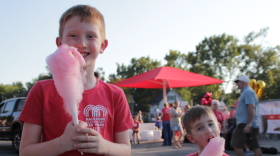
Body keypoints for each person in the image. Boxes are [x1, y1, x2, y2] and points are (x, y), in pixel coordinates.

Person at [18, 5, 134, 156]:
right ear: (60, 44)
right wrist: (62, 143)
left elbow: (126, 150)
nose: (82, 44)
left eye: (91, 36)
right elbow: (25, 151)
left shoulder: (116, 94)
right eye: (73, 35)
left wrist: (105, 146)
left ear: (103, 45)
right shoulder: (41, 91)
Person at [231, 75, 262, 156]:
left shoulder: (248, 92)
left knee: (235, 143)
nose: (237, 84)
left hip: (245, 124)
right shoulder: (248, 91)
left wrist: (249, 124)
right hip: (248, 124)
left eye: (238, 82)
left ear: (243, 82)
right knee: (255, 146)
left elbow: (251, 107)